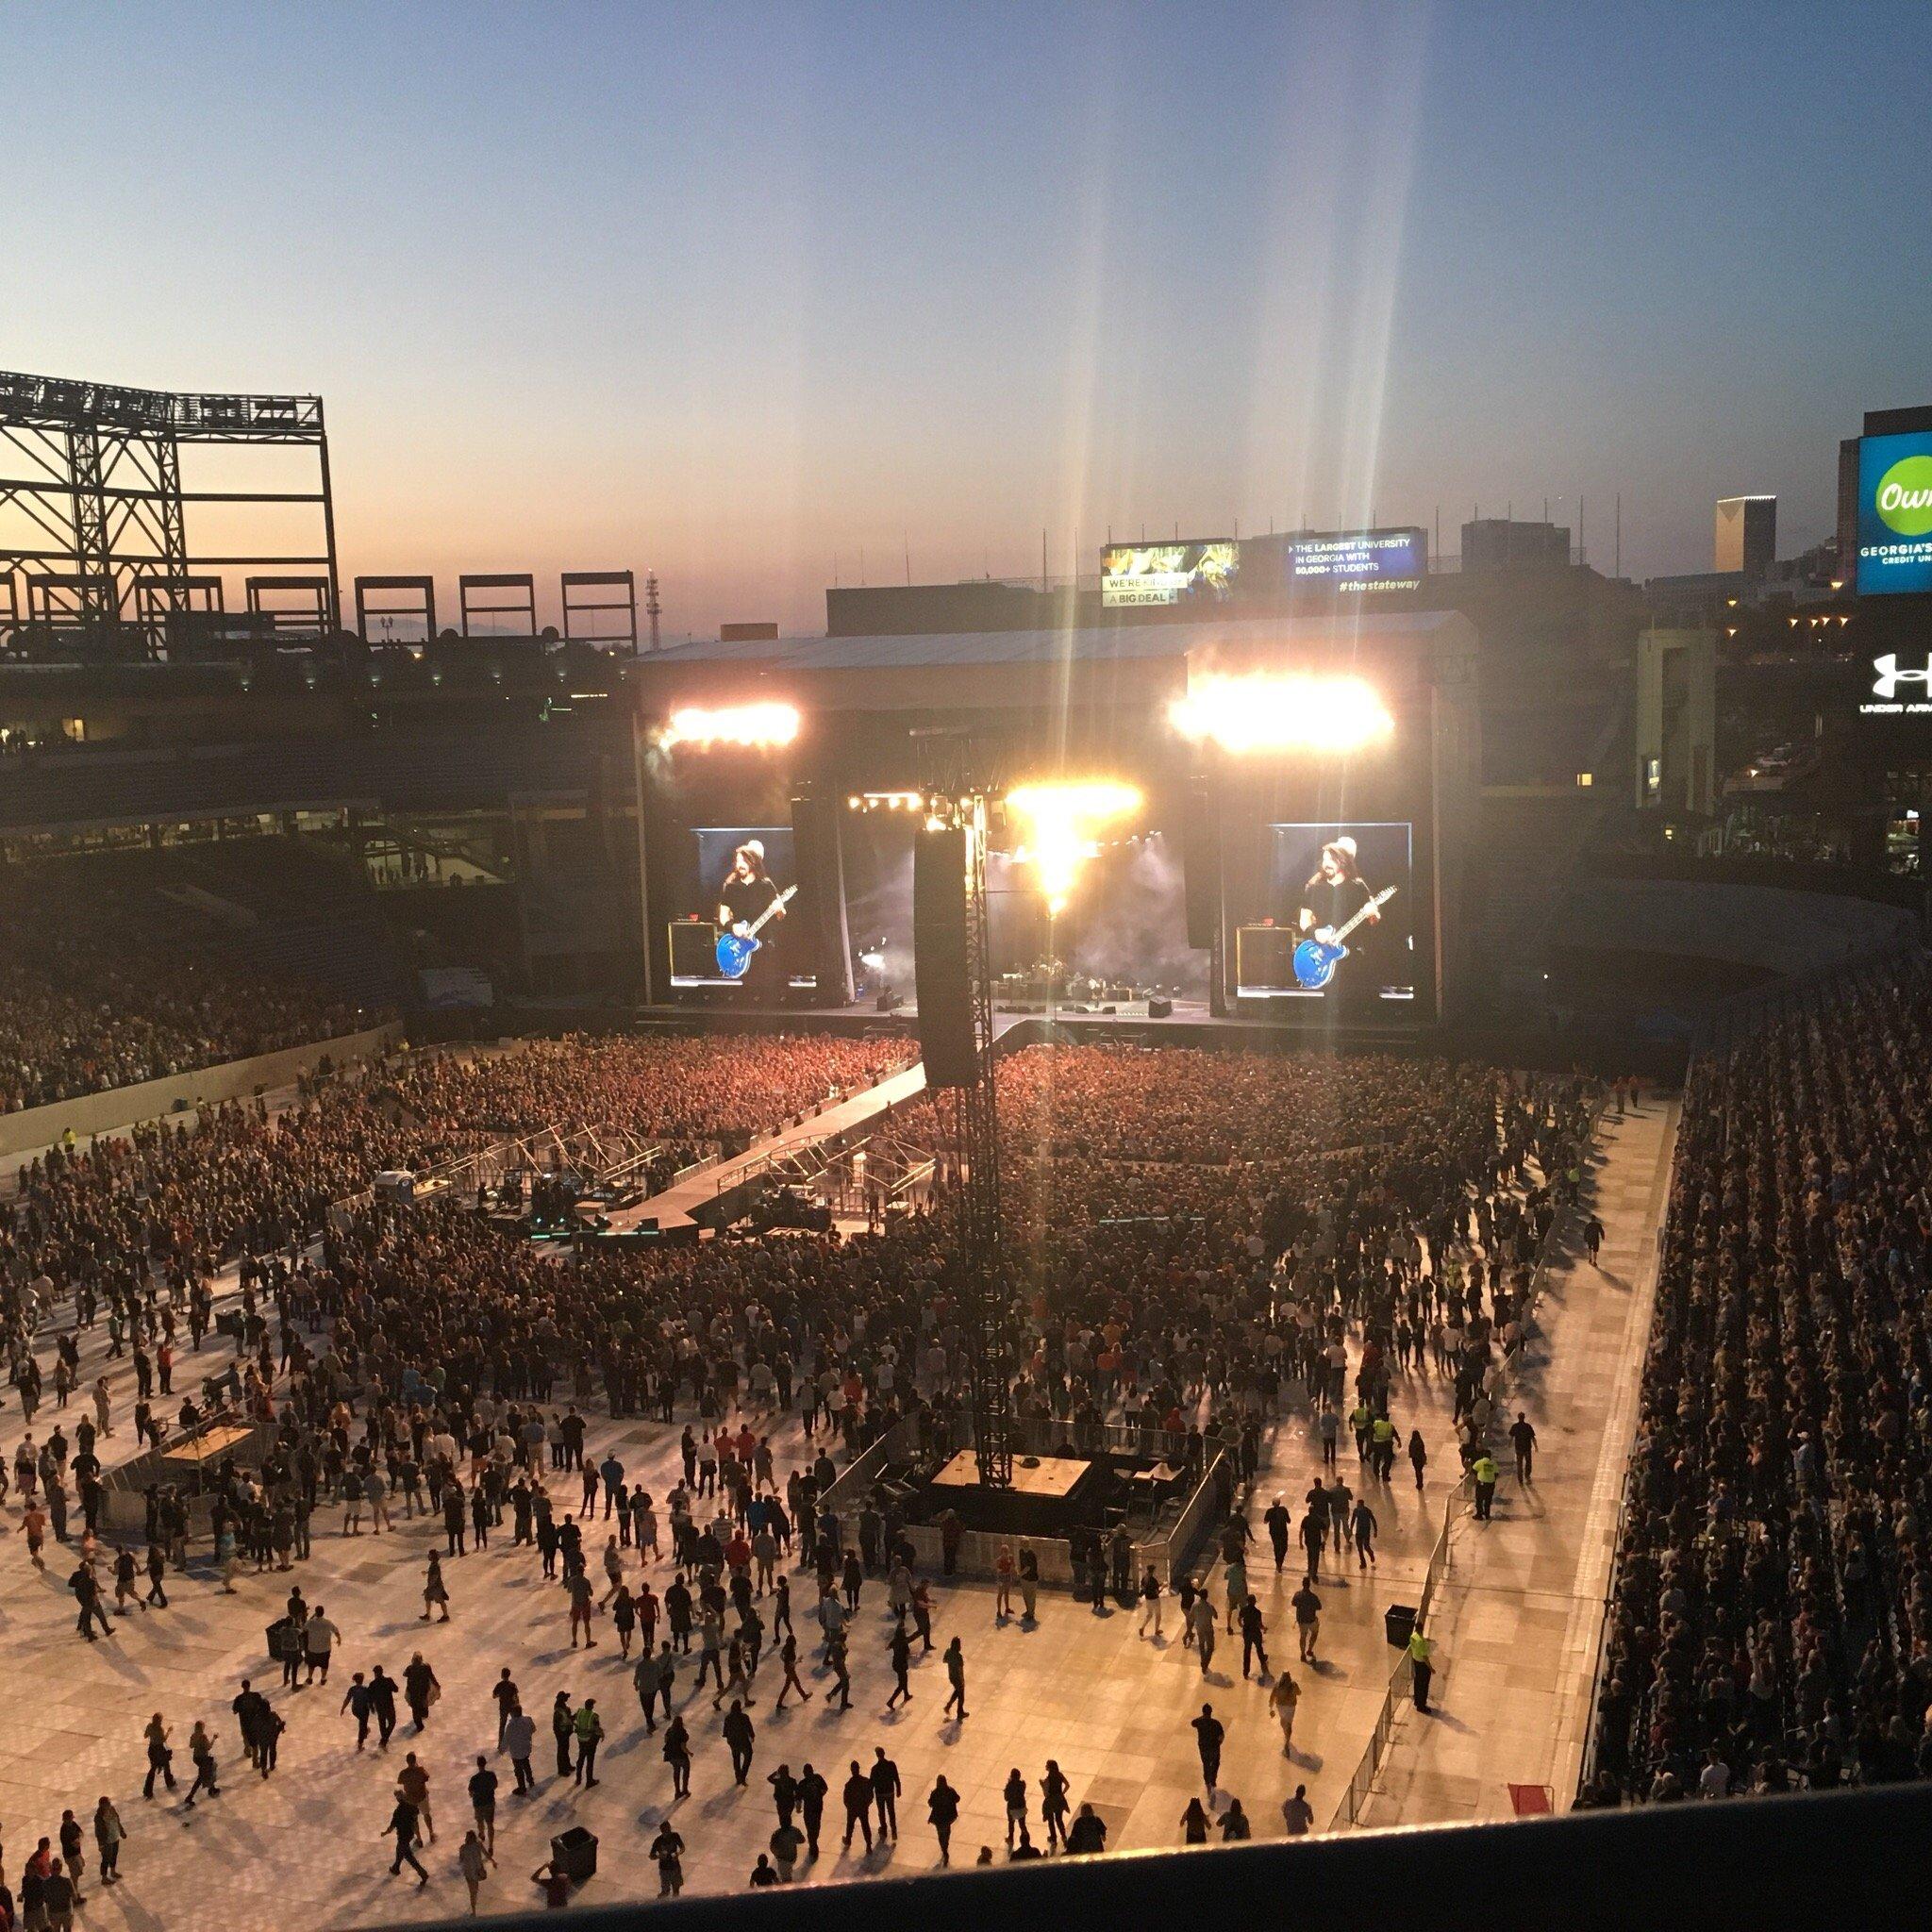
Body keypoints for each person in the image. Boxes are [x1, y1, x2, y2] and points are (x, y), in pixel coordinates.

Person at [717, 840, 787, 996]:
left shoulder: (766, 885)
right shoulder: (731, 886)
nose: (738, 865)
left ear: (753, 862)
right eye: (737, 861)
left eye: (743, 861)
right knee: (745, 992)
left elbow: (781, 915)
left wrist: (779, 910)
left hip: (763, 947)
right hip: (740, 945)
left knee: (765, 990)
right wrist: (732, 926)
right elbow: (723, 915)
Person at [385, 1790, 429, 1886]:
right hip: (409, 1834)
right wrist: (418, 1836)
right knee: (400, 1850)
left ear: (398, 1799)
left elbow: (392, 1825)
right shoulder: (412, 1807)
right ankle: (396, 1867)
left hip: (402, 1835)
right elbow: (415, 1821)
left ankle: (423, 1874)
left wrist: (385, 1832)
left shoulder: (398, 1811)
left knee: (409, 1856)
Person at [841, 1759, 874, 1853]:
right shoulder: (865, 1781)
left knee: (850, 1825)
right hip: (863, 1808)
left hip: (853, 1809)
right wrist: (867, 1804)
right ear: (859, 1769)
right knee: (865, 1826)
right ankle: (868, 1844)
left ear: (851, 1770)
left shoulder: (849, 1784)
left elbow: (846, 1799)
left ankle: (848, 1840)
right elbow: (870, 1795)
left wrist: (849, 1807)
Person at [927, 1774, 960, 1866]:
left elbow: (930, 1803)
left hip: (938, 1817)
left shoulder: (935, 1792)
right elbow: (957, 1798)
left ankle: (944, 1849)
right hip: (948, 1817)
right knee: (947, 1833)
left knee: (940, 1834)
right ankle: (945, 1847)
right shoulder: (950, 1791)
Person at [92, 1796, 125, 1886]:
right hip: (106, 1840)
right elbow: (98, 1832)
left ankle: (113, 1871)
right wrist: (101, 1844)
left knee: (114, 1855)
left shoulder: (112, 1809)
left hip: (115, 1836)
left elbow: (117, 1821)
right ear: (102, 1805)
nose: (109, 1805)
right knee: (106, 1858)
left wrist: (121, 1831)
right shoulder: (99, 1816)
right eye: (107, 1804)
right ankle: (104, 1877)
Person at [724, 1699, 757, 1786]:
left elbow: (725, 1731)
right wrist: (752, 1736)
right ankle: (743, 1775)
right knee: (748, 1756)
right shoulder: (744, 1717)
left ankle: (738, 1776)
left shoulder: (728, 1718)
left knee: (736, 1758)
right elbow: (749, 1728)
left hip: (733, 1741)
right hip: (743, 1740)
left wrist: (728, 1738)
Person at [1191, 1702, 1224, 1790]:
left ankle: (1207, 1780)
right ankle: (1213, 1779)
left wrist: (1202, 1717)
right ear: (1211, 1712)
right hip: (1214, 1747)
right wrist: (1219, 1743)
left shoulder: (1199, 1722)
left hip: (1203, 1747)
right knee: (1215, 1763)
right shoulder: (1216, 1723)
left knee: (1206, 1764)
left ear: (1203, 1712)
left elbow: (1192, 1723)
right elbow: (1221, 1736)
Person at [469, 1755, 499, 1851]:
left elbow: (471, 1793)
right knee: (490, 1824)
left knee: (480, 1821)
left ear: (478, 1765)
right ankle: (490, 1846)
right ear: (485, 1763)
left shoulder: (474, 1779)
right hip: (489, 1802)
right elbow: (495, 1785)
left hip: (478, 1803)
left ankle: (481, 1834)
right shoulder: (491, 1775)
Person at [650, 1822, 686, 1898]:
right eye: (666, 1830)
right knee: (665, 1891)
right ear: (662, 1831)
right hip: (665, 1869)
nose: (668, 1832)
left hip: (675, 1867)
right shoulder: (658, 1841)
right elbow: (651, 1855)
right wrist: (659, 1856)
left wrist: (678, 1853)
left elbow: (682, 1847)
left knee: (676, 1890)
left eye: (669, 1829)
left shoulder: (675, 1836)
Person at [1270, 1668, 1301, 1756]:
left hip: (1281, 1707)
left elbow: (1272, 1697)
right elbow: (1299, 1693)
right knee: (1289, 1724)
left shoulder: (1277, 1686)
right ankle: (1287, 1741)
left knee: (1284, 1722)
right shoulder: (1293, 1685)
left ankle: (1286, 1737)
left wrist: (1271, 1709)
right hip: (1291, 1707)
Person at [459, 1830, 491, 1915]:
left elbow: (461, 1860)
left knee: (472, 1892)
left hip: (469, 1872)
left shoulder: (463, 1848)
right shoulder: (478, 1845)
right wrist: (493, 1861)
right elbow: (486, 1854)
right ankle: (474, 1907)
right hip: (476, 1872)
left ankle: (474, 1910)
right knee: (474, 1891)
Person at [1292, 1580, 1323, 1661]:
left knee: (1303, 1637)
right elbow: (1319, 1607)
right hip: (1311, 1619)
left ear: (1302, 1584)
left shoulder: (1297, 1595)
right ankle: (1309, 1650)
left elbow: (1293, 1603)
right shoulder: (1313, 1597)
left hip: (1301, 1620)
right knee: (1314, 1633)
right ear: (1309, 1585)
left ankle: (1302, 1654)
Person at [1409, 1621, 1435, 1712]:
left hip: (1415, 1660)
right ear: (1422, 1629)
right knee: (1424, 1685)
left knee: (1417, 1682)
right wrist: (1431, 1668)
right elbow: (1425, 1657)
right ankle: (1421, 1705)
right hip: (1422, 1664)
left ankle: (1417, 1700)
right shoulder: (1421, 1641)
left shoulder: (1413, 1637)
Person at [942, 1635, 967, 1719]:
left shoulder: (948, 1651)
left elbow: (944, 1660)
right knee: (961, 1696)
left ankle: (949, 1706)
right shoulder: (959, 1656)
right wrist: (962, 1680)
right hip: (958, 1677)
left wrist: (951, 1661)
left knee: (957, 1691)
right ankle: (959, 1712)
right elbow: (961, 1669)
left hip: (951, 1676)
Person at [1509, 1412, 1538, 1483]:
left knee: (1519, 1464)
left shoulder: (1515, 1426)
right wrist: (1536, 1446)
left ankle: (1520, 1479)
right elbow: (1532, 1437)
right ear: (1524, 1417)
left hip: (1518, 1448)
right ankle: (1527, 1476)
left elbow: (1511, 1436)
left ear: (1518, 1417)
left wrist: (1509, 1444)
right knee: (1528, 1463)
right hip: (1527, 1448)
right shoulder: (1528, 1426)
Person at [1473, 1450, 1499, 1521]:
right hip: (1490, 1484)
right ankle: (1487, 1515)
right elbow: (1496, 1473)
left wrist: (1478, 1475)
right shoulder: (1493, 1463)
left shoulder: (1480, 1462)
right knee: (1488, 1500)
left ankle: (1479, 1515)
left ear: (1483, 1455)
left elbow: (1474, 1469)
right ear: (1490, 1456)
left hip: (1481, 1484)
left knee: (1479, 1499)